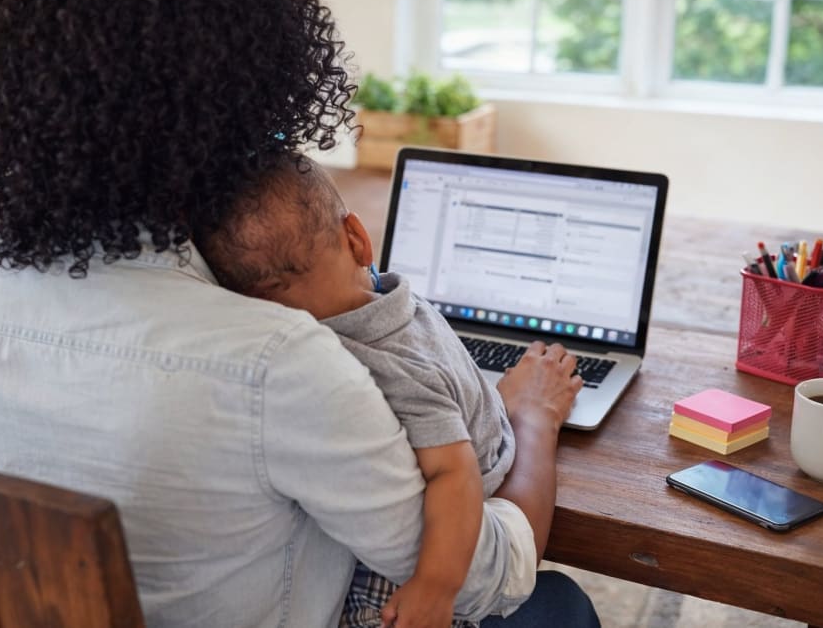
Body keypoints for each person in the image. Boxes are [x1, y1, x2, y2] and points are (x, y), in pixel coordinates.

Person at [0, 0, 601, 626]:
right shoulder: (276, 355)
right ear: (248, 80)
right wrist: (531, 417)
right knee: (558, 604)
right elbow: (485, 579)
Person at [198, 155, 586, 627]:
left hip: (451, 515)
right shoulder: (395, 303)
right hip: (465, 490)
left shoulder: (368, 361)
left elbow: (452, 468)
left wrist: (436, 586)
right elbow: (453, 463)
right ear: (358, 238)